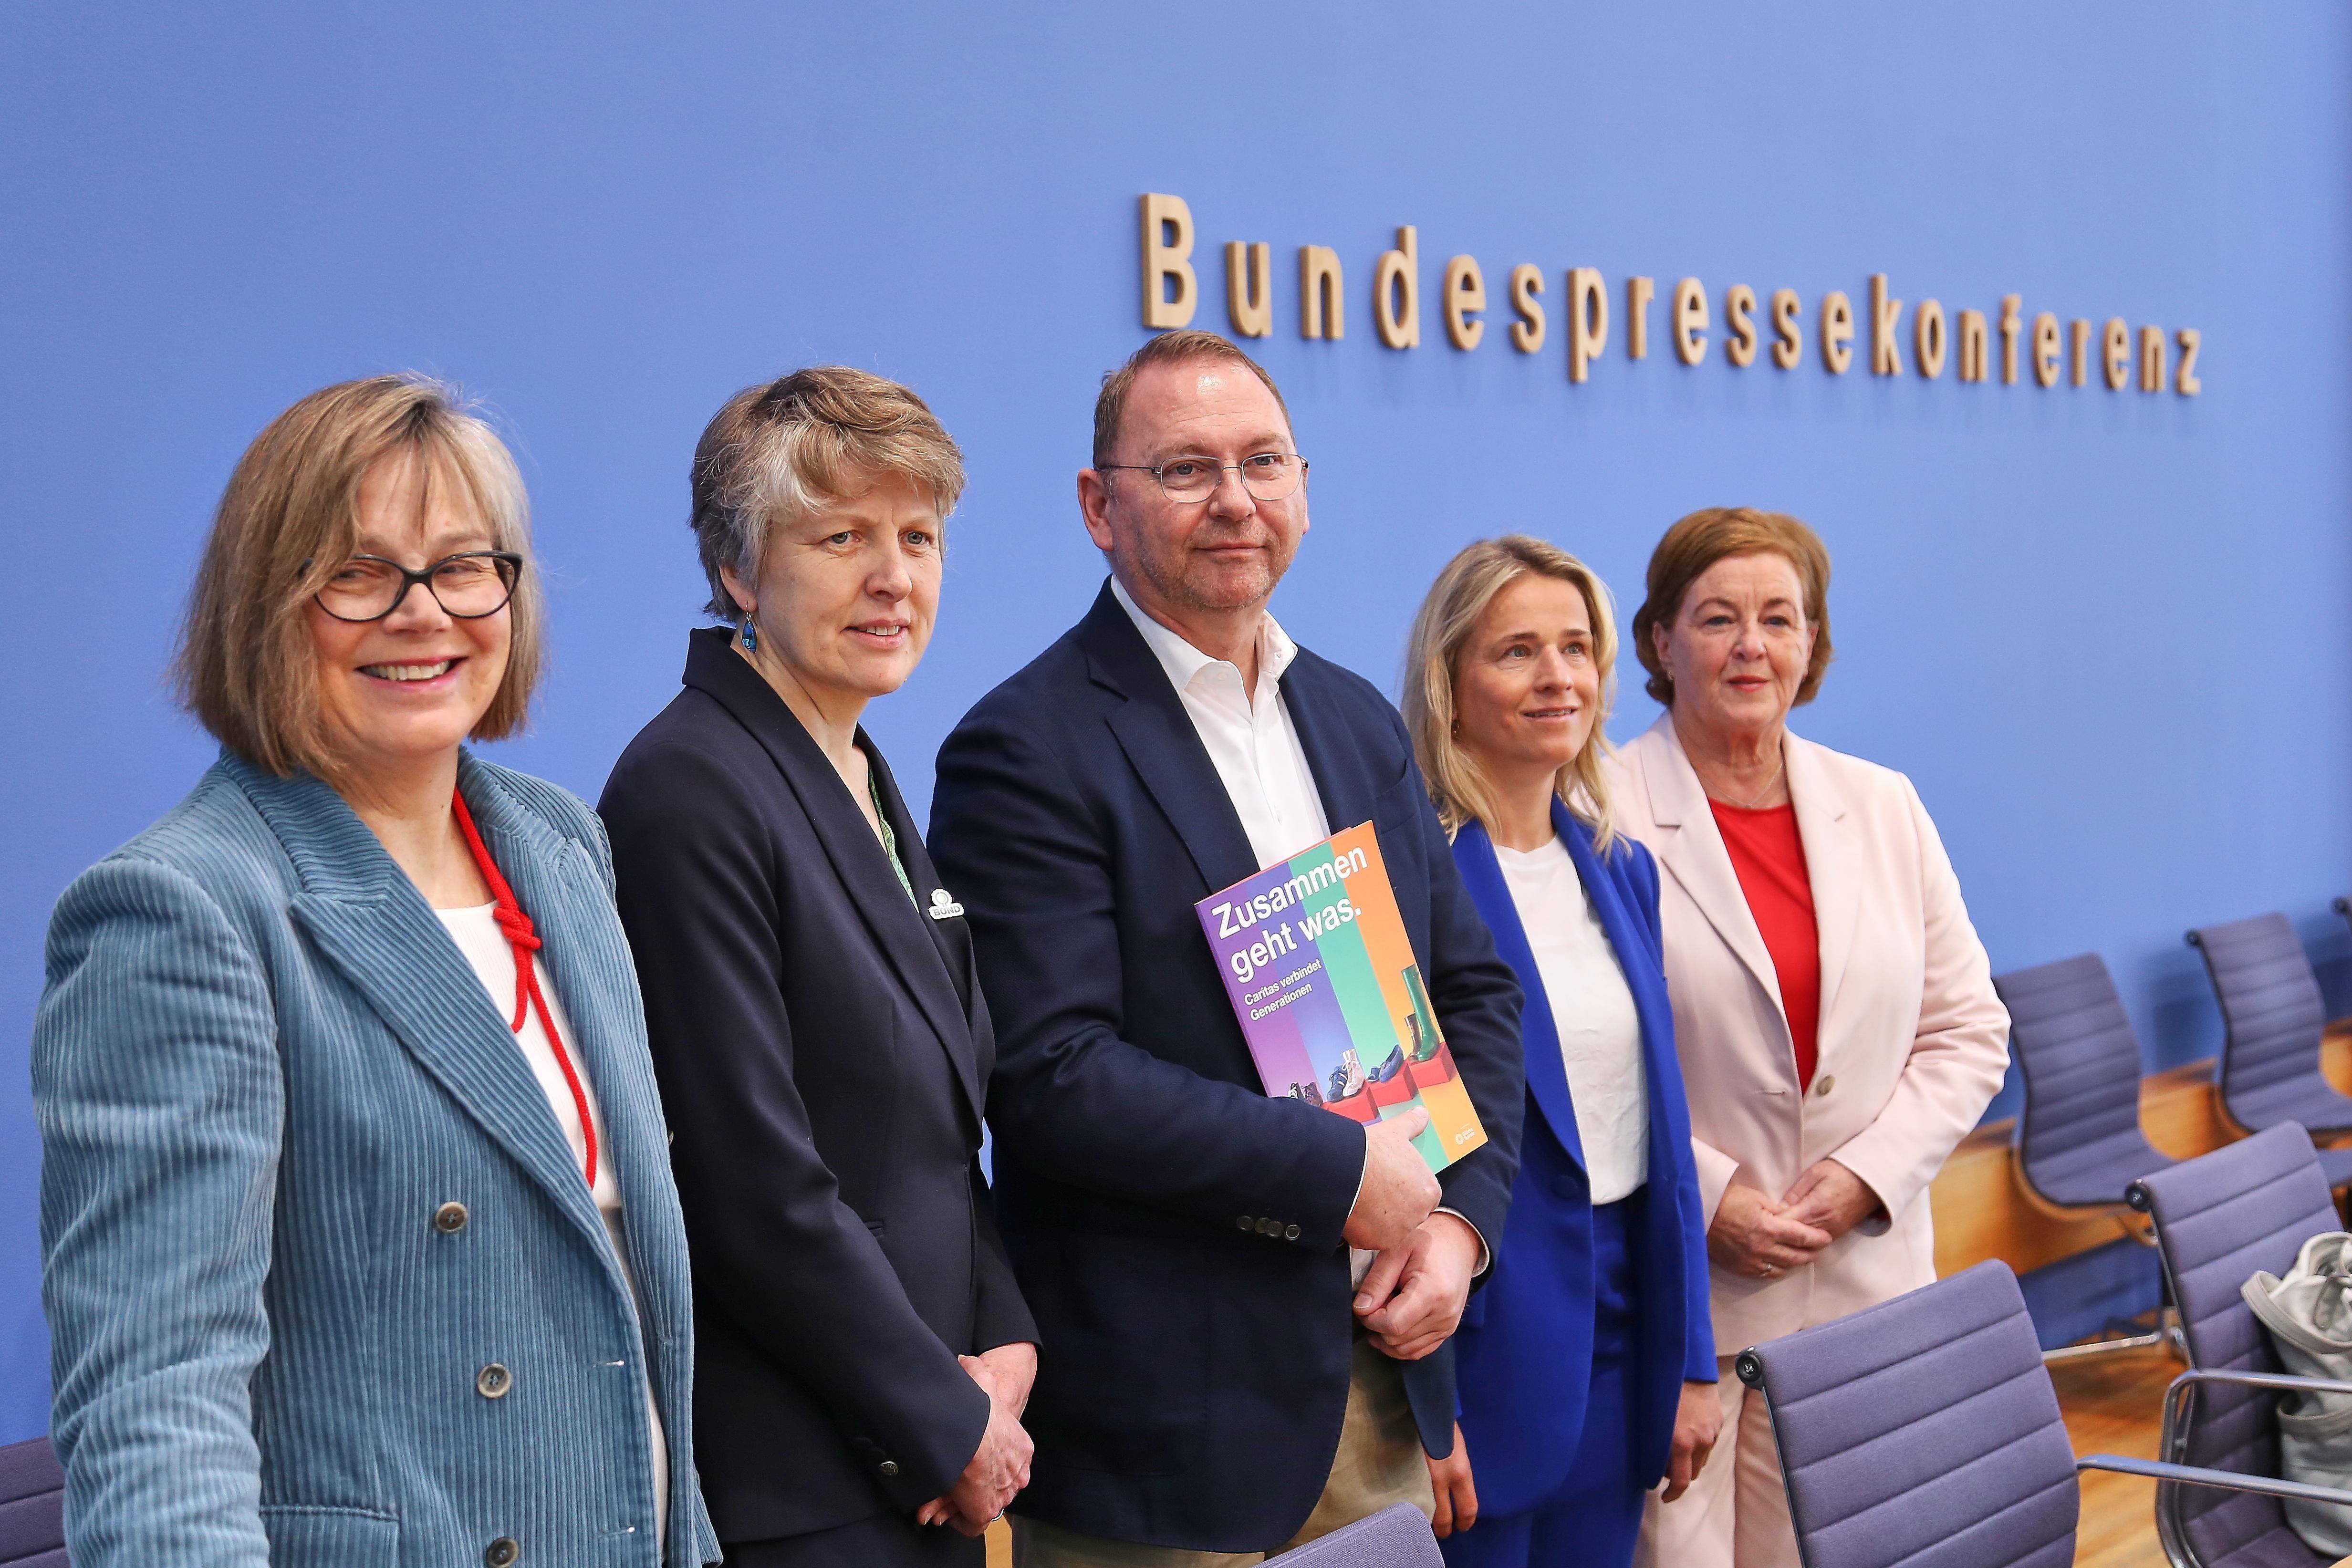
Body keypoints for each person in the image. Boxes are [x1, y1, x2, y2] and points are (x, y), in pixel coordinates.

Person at [33, 375, 714, 1567]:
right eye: (358, 573)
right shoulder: (184, 908)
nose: (423, 614)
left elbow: (630, 1295)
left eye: (462, 565)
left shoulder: (560, 846)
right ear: (267, 604)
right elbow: (156, 1394)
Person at [928, 328, 1525, 1566]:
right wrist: (1334, 1172)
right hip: (1173, 1436)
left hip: (1381, 1375)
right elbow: (1051, 1076)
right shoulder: (1026, 749)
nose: (1236, 500)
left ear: (1303, 487)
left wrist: (1458, 1225)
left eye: (1264, 462)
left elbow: (1470, 993)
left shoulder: (1354, 720)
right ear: (1101, 505)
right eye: (1187, 469)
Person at [599, 368, 1038, 1568]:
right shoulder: (689, 788)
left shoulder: (863, 774)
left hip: (927, 1449)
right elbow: (751, 1182)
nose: (892, 575)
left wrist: (1005, 1346)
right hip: (802, 1484)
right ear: (739, 570)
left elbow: (940, 1134)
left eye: (918, 537)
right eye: (840, 537)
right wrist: (945, 1418)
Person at [1613, 508, 2010, 1568]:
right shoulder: (1592, 810)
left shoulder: (1882, 804)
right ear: (1658, 641)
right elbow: (1569, 1060)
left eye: (1778, 618)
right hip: (1690, 1302)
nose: (1751, 646)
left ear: (1812, 643)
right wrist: (1710, 1196)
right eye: (1715, 619)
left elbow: (1968, 1029)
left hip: (1860, 1288)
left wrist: (1860, 1176)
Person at [1399, 537, 1717, 1568]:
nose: (1557, 678)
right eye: (1516, 652)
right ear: (1448, 683)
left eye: (1575, 648)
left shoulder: (1618, 868)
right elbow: (1383, 1160)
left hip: (1628, 1339)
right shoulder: (1398, 887)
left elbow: (1662, 1136)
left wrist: (1692, 1361)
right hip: (1483, 1347)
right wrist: (1420, 1406)